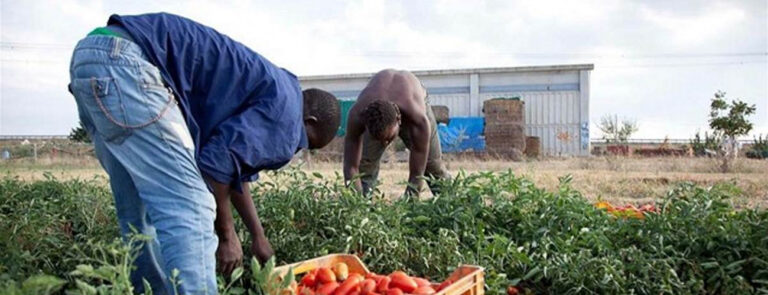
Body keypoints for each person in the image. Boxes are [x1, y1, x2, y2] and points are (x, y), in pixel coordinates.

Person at [68, 12, 340, 295]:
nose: (294, 149)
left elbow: (233, 168)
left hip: (94, 58)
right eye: (305, 142)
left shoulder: (277, 91)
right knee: (193, 207)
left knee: (138, 212)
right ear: (309, 121)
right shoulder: (286, 118)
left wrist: (257, 236)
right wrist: (228, 236)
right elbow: (216, 167)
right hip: (129, 64)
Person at [343, 69, 449, 197]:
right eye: (379, 139)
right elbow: (351, 167)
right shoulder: (357, 115)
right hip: (378, 103)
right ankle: (364, 207)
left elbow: (417, 175)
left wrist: (410, 204)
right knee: (364, 167)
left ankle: (452, 206)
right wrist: (355, 204)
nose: (385, 144)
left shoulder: (419, 120)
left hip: (413, 96)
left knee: (432, 166)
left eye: (388, 139)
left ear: (399, 120)